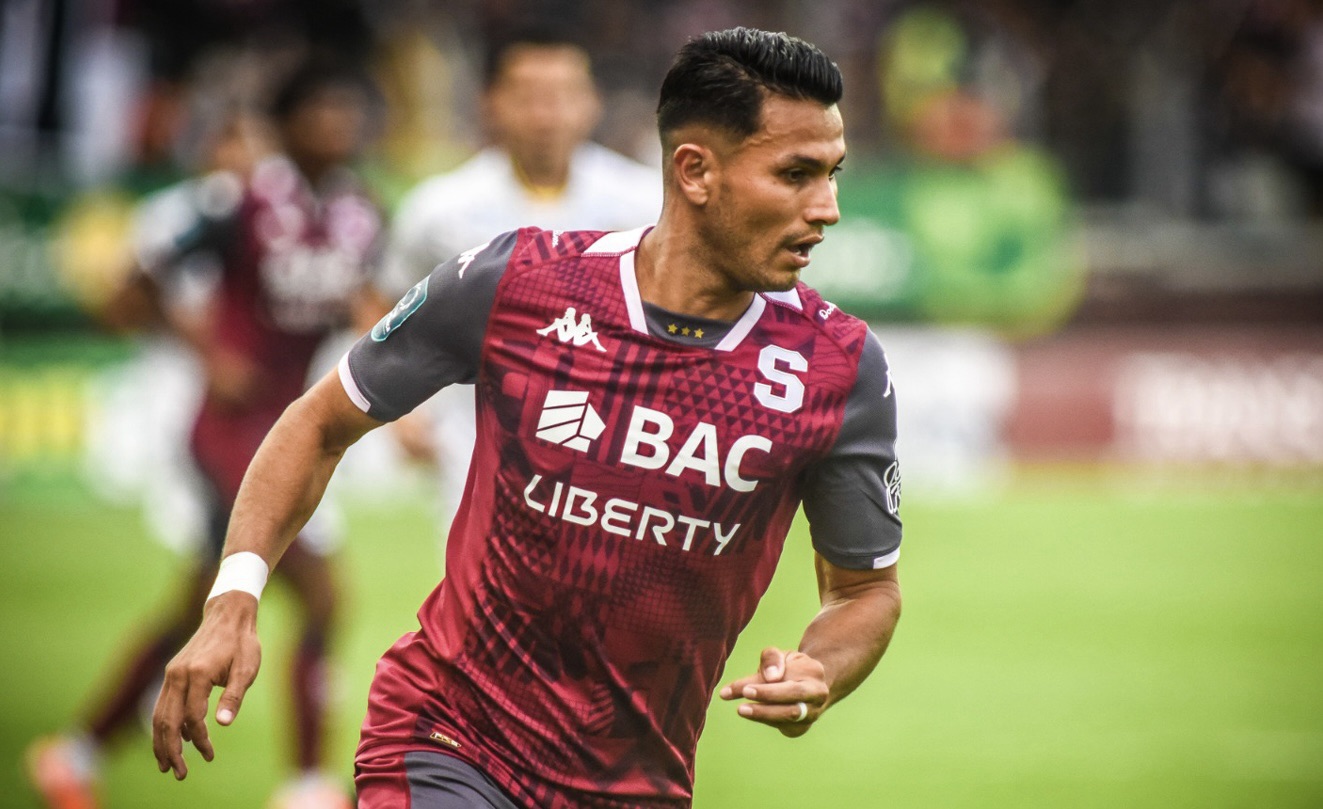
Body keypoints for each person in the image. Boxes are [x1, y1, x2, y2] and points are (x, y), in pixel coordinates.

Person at [152, 27, 905, 809]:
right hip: (450, 737)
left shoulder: (839, 368)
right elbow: (317, 423)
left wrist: (821, 668)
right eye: (795, 174)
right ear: (694, 171)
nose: (827, 208)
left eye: (831, 175)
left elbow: (864, 588)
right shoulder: (516, 281)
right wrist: (234, 595)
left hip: (637, 784)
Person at [27, 57, 388, 809]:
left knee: (201, 602)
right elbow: (136, 282)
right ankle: (307, 786)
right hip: (227, 434)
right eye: (320, 111)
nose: (337, 125)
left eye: (346, 111)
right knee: (321, 598)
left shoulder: (360, 212)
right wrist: (206, 351)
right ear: (286, 124)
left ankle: (74, 755)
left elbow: (363, 298)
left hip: (291, 431)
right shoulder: (240, 204)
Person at [382, 25, 661, 516]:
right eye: (528, 97)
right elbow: (386, 300)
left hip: (610, 435)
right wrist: (401, 411)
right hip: (478, 436)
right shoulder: (440, 208)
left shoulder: (646, 202)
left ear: (592, 102)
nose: (546, 115)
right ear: (491, 102)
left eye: (563, 95)